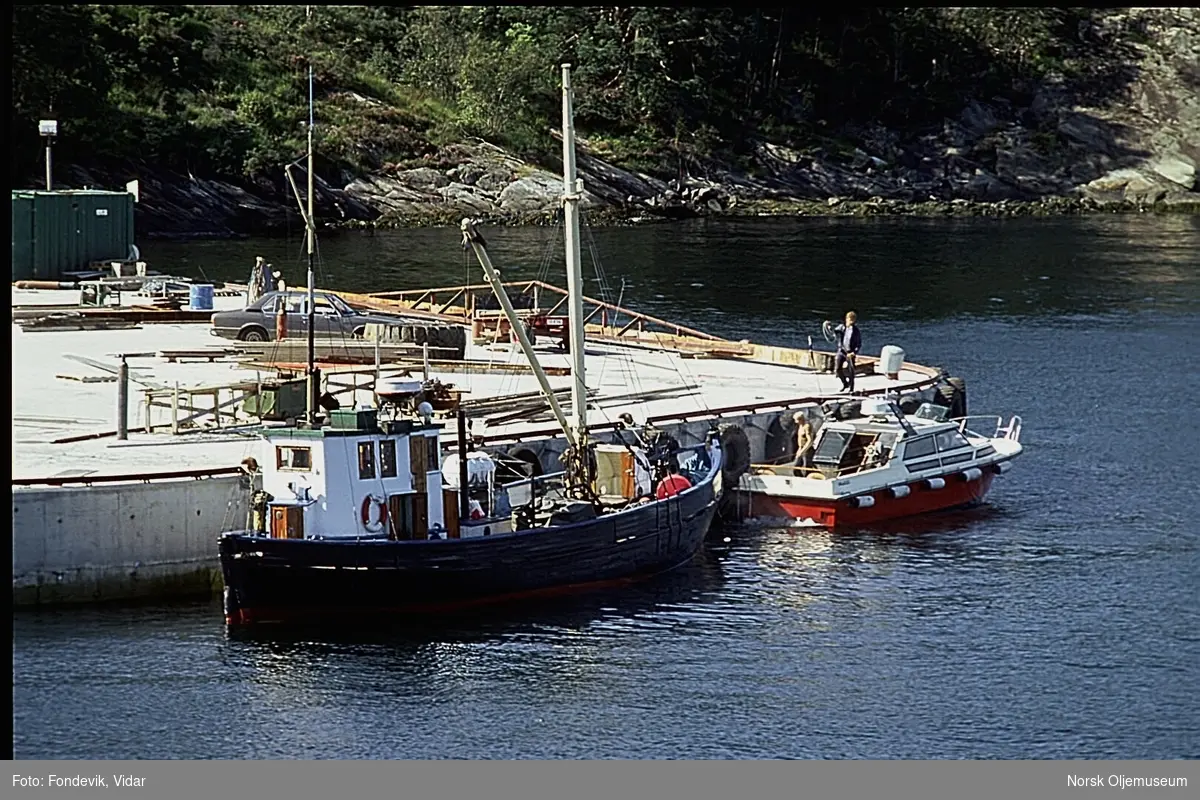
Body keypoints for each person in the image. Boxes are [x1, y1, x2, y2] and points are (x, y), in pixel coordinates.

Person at [834, 311, 862, 392]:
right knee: (837, 369)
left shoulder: (856, 331)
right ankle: (845, 383)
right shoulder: (842, 327)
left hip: (850, 353)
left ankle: (851, 388)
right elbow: (834, 332)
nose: (851, 322)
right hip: (841, 351)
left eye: (853, 320)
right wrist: (829, 327)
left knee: (851, 371)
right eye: (850, 320)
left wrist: (854, 352)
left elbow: (859, 343)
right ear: (846, 319)